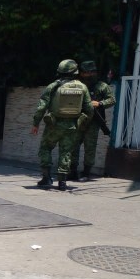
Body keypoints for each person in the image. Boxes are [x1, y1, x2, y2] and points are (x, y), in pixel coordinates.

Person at [30, 60, 93, 191]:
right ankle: (62, 183)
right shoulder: (82, 87)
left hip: (54, 125)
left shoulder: (53, 86)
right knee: (66, 152)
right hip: (72, 126)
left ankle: (46, 178)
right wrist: (83, 122)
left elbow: (41, 107)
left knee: (45, 148)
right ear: (75, 72)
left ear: (59, 72)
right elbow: (89, 109)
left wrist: (36, 123)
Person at [70, 60, 116, 181]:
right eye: (85, 72)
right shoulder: (77, 85)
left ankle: (86, 172)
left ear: (94, 72)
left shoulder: (102, 86)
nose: (87, 75)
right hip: (78, 119)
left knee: (90, 147)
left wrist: (100, 103)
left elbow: (112, 100)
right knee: (73, 145)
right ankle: (72, 171)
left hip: (93, 121)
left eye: (90, 72)